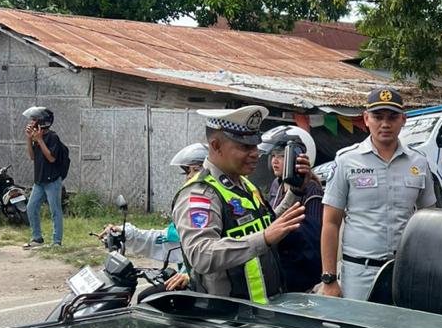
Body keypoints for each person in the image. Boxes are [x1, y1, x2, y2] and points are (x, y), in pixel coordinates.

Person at [172, 106, 304, 302]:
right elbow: (201, 254)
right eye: (245, 147)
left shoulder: (244, 184)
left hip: (263, 311)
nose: (255, 154)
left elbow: (268, 226)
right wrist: (264, 239)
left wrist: (295, 190)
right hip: (229, 320)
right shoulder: (200, 194)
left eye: (255, 146)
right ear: (216, 145)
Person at [320, 87, 437, 300]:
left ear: (403, 119)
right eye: (377, 117)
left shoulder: (419, 162)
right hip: (359, 272)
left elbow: (430, 220)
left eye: (392, 117)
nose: (385, 124)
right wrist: (329, 279)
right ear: (366, 119)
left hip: (404, 270)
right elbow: (330, 222)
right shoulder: (346, 160)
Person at [101, 142, 207, 291]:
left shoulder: (212, 210)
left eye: (195, 170)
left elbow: (215, 253)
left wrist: (193, 276)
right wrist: (126, 233)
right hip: (192, 284)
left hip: (209, 289)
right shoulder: (189, 212)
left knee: (148, 298)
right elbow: (163, 239)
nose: (189, 177)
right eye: (188, 172)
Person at [259, 125, 325, 292]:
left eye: (281, 156)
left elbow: (312, 240)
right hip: (279, 271)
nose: (274, 161)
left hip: (301, 276)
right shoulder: (277, 185)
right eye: (273, 156)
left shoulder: (311, 189)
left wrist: (278, 235)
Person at [22, 106, 63, 248]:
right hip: (39, 180)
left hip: (52, 180)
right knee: (31, 207)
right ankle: (37, 237)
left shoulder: (52, 137)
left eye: (34, 120)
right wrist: (29, 139)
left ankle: (57, 241)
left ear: (42, 122)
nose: (31, 123)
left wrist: (39, 140)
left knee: (55, 211)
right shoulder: (37, 137)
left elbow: (51, 158)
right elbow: (32, 156)